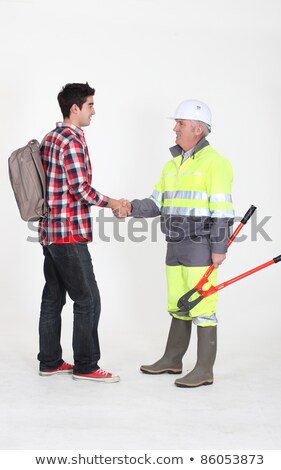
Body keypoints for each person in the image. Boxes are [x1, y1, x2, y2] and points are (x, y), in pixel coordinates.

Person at [114, 100, 234, 388]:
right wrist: (129, 207)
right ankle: (172, 359)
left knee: (202, 306)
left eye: (180, 124)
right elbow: (157, 202)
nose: (175, 129)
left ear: (198, 129)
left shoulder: (216, 164)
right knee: (178, 304)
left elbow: (222, 211)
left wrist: (219, 248)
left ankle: (204, 369)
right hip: (174, 244)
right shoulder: (172, 165)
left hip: (200, 247)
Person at [38, 82, 122, 382]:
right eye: (90, 105)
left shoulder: (51, 137)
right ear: (74, 108)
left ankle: (49, 361)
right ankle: (86, 365)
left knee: (53, 298)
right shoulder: (71, 140)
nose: (93, 111)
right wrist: (113, 203)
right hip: (69, 234)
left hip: (50, 232)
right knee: (88, 300)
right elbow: (79, 188)